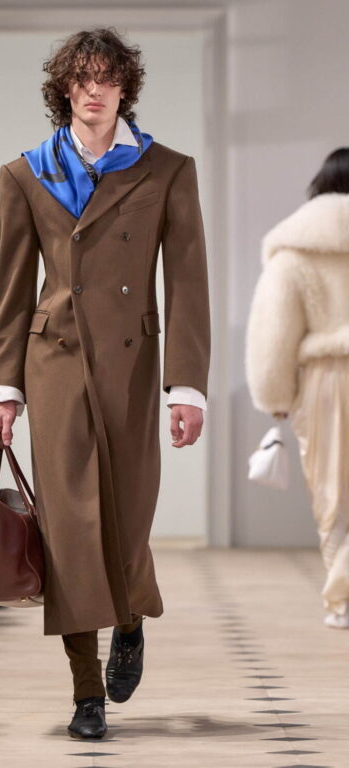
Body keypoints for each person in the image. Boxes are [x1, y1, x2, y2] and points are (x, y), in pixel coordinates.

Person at [0, 28, 210, 738]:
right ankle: (86, 693)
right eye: (82, 77)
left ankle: (131, 619)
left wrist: (186, 387)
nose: (94, 89)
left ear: (124, 88)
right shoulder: (25, 174)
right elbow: (12, 290)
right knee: (70, 527)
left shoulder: (167, 168)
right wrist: (5, 389)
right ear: (65, 88)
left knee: (128, 517)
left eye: (107, 77)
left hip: (133, 364)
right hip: (54, 364)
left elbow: (188, 282)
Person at [246, 147, 349, 630]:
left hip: (327, 379)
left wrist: (276, 400)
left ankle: (343, 600)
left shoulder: (295, 250)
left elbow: (273, 335)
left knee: (334, 491)